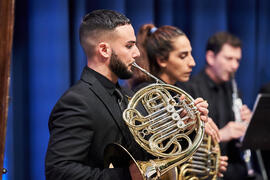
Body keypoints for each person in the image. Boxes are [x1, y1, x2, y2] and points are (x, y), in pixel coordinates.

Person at [45, 10, 209, 180]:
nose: (137, 53)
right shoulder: (77, 102)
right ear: (104, 50)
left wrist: (185, 127)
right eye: (129, 46)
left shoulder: (125, 95)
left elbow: (149, 153)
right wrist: (125, 175)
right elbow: (59, 172)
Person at [129, 24, 228, 178]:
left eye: (191, 54)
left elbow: (179, 155)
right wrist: (188, 125)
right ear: (162, 60)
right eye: (183, 56)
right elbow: (155, 150)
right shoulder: (148, 94)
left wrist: (206, 165)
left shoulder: (180, 92)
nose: (192, 62)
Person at [177, 32, 262, 179]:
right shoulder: (189, 89)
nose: (234, 65)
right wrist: (222, 134)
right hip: (206, 171)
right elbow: (184, 144)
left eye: (237, 60)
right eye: (229, 59)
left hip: (236, 169)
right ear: (211, 57)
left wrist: (247, 127)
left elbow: (238, 144)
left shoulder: (233, 89)